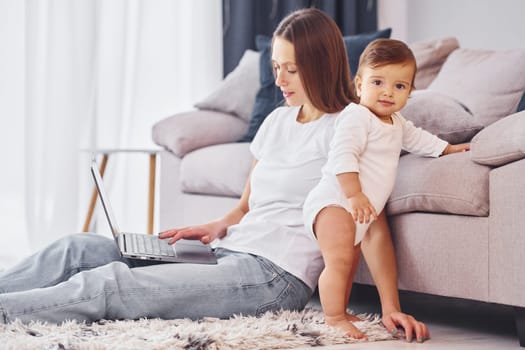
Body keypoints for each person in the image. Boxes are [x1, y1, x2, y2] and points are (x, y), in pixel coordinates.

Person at [0, 9, 426, 343]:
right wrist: (214, 226)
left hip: (273, 278)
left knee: (112, 284)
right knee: (76, 248)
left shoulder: (354, 127)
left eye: (290, 69)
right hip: (228, 251)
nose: (278, 79)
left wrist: (390, 306)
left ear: (321, 65)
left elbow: (370, 224)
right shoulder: (277, 122)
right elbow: (246, 205)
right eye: (276, 67)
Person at [303, 38, 470, 339]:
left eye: (399, 86)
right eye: (378, 81)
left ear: (409, 91)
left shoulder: (398, 123)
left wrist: (448, 149)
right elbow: (343, 156)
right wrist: (353, 194)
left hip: (359, 210)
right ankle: (333, 316)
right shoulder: (357, 116)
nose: (387, 92)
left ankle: (341, 307)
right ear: (358, 84)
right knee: (339, 259)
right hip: (335, 201)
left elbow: (420, 140)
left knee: (351, 260)